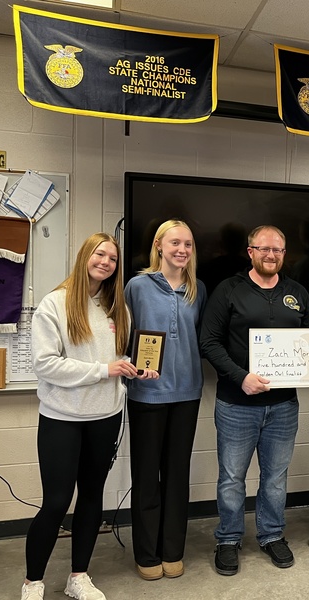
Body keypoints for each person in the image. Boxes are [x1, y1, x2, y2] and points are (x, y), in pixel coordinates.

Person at [21, 233, 157, 600]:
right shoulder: (55, 304)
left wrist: (135, 370)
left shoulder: (117, 308)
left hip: (106, 416)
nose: (106, 262)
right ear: (85, 256)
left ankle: (77, 576)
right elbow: (45, 365)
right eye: (100, 254)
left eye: (113, 258)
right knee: (56, 501)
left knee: (92, 498)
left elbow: (118, 361)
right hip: (62, 418)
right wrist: (105, 371)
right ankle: (33, 581)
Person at [200, 225, 309, 576]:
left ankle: (271, 535)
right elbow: (208, 342)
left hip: (283, 407)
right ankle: (229, 539)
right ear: (250, 252)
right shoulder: (229, 290)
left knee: (275, 478)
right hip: (236, 404)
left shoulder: (297, 292)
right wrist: (242, 377)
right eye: (264, 249)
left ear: (284, 255)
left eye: (278, 250)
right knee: (232, 478)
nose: (271, 255)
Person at [124, 219, 207, 580]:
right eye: (175, 243)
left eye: (188, 244)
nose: (182, 250)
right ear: (159, 245)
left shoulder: (198, 289)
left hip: (187, 394)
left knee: (177, 476)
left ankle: (173, 550)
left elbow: (202, 339)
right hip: (146, 395)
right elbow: (123, 339)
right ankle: (147, 553)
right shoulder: (136, 287)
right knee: (146, 477)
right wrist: (132, 367)